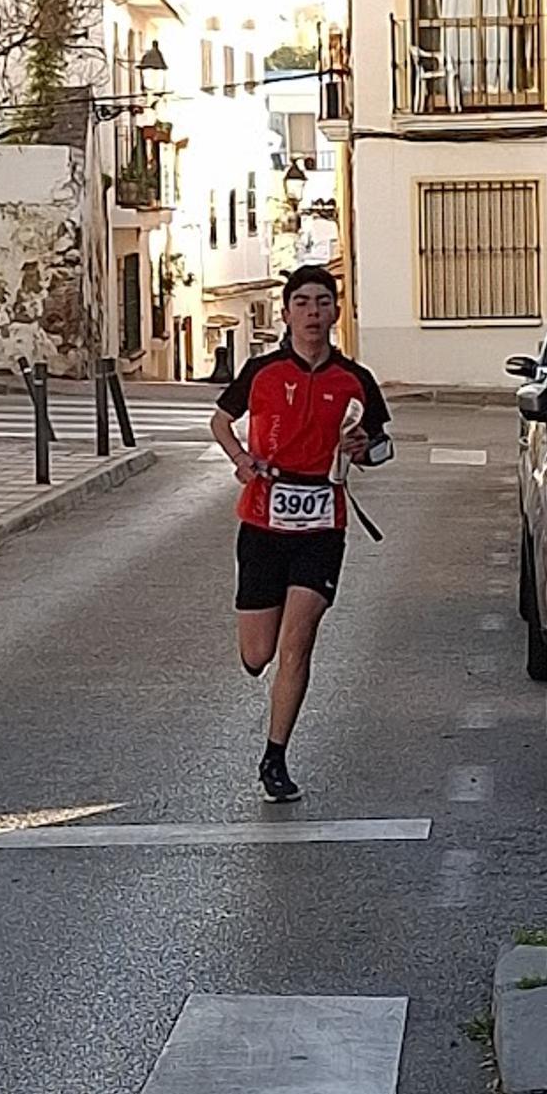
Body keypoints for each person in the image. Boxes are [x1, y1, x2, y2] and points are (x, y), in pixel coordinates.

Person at [210, 266, 393, 802]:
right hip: (263, 523)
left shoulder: (355, 379)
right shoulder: (262, 371)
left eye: (322, 302)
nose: (313, 312)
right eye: (303, 303)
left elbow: (383, 446)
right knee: (258, 653)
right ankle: (255, 660)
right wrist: (243, 461)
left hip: (321, 525)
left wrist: (366, 451)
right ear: (287, 312)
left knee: (299, 641)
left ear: (336, 312)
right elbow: (220, 421)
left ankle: (275, 756)